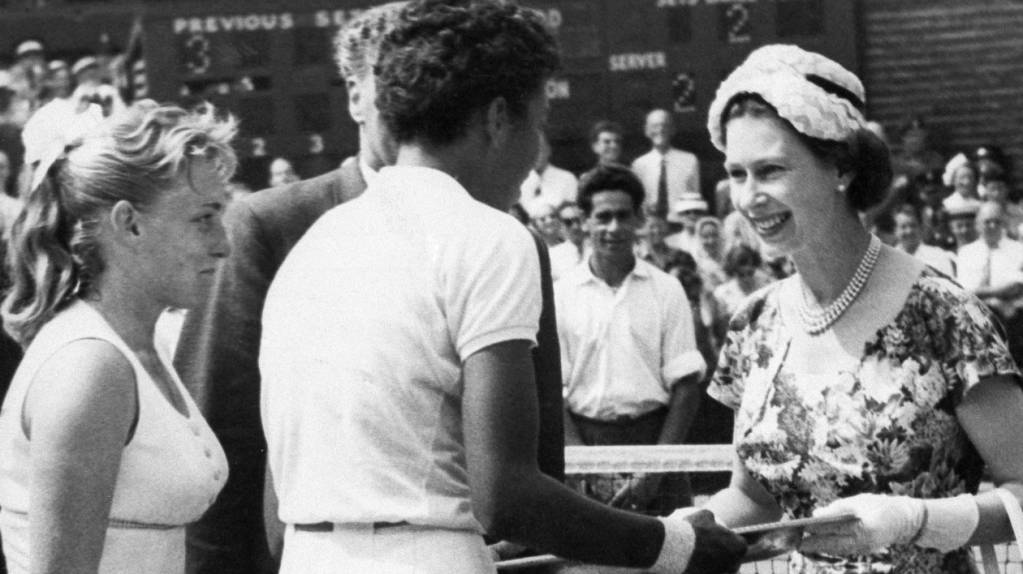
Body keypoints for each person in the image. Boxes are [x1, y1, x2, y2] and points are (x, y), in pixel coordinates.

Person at [259, 2, 745, 573]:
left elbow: (274, 510)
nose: (534, 150)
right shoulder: (490, 237)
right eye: (537, 124)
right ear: (496, 119)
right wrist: (676, 544)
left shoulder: (314, 246)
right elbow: (506, 496)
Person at [700, 43, 1023, 573]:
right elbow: (753, 498)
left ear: (840, 169)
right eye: (737, 174)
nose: (749, 197)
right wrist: (661, 539)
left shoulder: (942, 313)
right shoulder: (753, 324)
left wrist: (916, 519)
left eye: (771, 170)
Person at [173, 5, 398, 573]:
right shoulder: (274, 223)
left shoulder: (496, 232)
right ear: (355, 95)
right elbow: (222, 419)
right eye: (394, 83)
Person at [0, 100, 235, 574]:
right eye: (202, 217)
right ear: (129, 223)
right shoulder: (90, 367)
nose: (223, 242)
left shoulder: (133, 348)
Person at [555, 164, 706, 514]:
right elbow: (551, 394)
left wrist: (654, 470)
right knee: (592, 566)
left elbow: (686, 389)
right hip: (586, 446)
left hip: (657, 442)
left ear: (639, 218)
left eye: (624, 216)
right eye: (603, 216)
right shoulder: (561, 294)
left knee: (678, 561)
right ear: (585, 221)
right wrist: (584, 466)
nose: (613, 228)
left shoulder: (667, 289)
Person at [956, 201, 1023, 363]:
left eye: (997, 221)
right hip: (980, 320)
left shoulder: (1018, 250)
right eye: (987, 222)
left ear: (1004, 223)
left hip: (1015, 319)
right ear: (978, 225)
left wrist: (982, 292)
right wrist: (997, 296)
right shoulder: (966, 253)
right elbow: (964, 292)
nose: (992, 226)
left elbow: (1016, 287)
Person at [631, 109, 701, 222]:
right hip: (651, 226)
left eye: (665, 125)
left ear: (673, 130)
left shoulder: (689, 160)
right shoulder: (638, 165)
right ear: (646, 131)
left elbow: (695, 198)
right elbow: (637, 202)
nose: (660, 129)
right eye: (654, 126)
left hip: (680, 224)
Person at [518, 133, 577, 212]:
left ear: (548, 150)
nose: (535, 155)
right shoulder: (518, 182)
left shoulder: (567, 178)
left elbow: (571, 212)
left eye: (540, 150)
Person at [893, 203, 955, 277]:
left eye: (913, 225)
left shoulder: (938, 255)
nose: (909, 231)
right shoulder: (888, 260)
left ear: (921, 228)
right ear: (895, 231)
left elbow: (949, 286)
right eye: (903, 227)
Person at [549, 201, 586, 281]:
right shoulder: (553, 256)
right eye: (568, 222)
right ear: (560, 225)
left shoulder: (599, 249)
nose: (575, 226)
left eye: (578, 220)